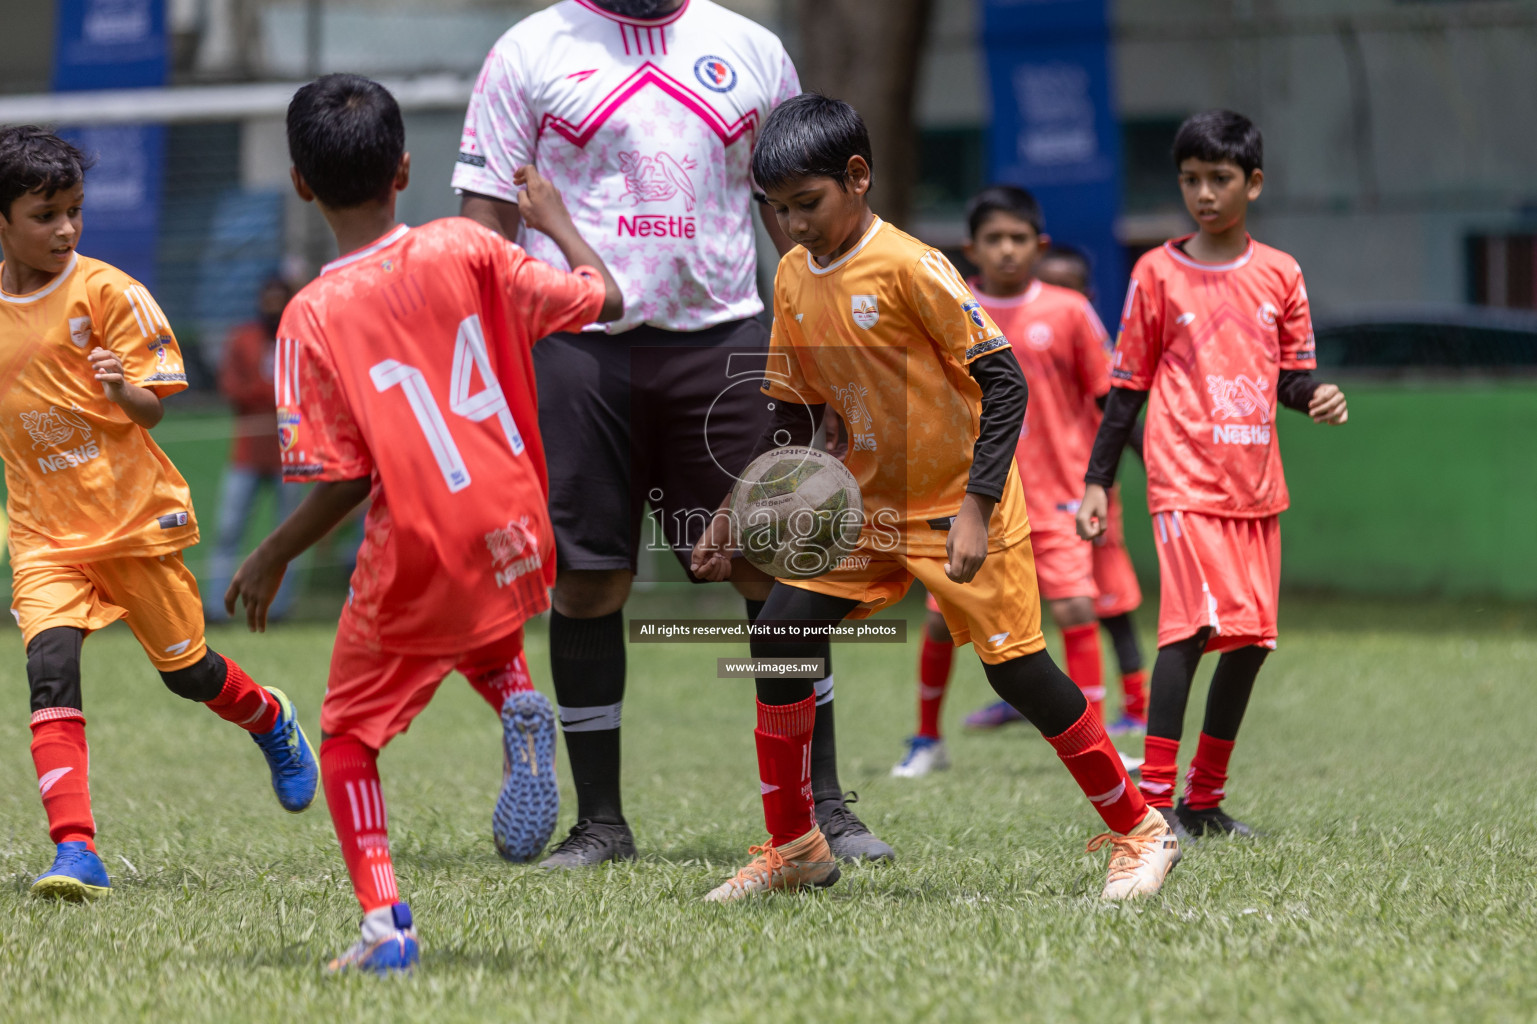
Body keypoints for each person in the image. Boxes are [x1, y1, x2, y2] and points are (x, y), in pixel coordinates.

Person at [691, 94, 1178, 901]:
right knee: (778, 635)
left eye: (806, 205)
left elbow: (1003, 383)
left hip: (957, 501)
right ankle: (796, 847)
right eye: (775, 211)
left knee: (1016, 673)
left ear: (857, 178)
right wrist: (737, 510)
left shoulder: (912, 266)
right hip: (863, 507)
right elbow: (793, 414)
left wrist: (978, 507)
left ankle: (1140, 829)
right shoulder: (789, 277)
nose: (792, 226)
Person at [453, 0, 889, 866]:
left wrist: (825, 346)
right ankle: (601, 824)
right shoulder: (527, 51)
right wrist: (482, 358)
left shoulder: (751, 48)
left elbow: (797, 216)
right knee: (586, 584)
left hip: (724, 342)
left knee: (775, 568)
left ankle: (823, 808)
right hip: (576, 354)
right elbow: (484, 222)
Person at [226, 74, 622, 974]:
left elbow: (342, 480)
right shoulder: (464, 246)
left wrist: (273, 552)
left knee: (345, 739)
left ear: (300, 184)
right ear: (405, 169)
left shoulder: (309, 318)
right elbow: (607, 300)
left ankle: (384, 928)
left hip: (420, 537)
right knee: (473, 615)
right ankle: (514, 696)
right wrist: (554, 219)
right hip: (515, 514)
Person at [0, 125, 318, 902]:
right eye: (45, 215)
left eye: (73, 210)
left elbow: (151, 412)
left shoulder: (109, 292)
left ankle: (270, 718)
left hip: (132, 521)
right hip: (44, 533)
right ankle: (77, 851)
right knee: (50, 671)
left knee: (189, 674)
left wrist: (119, 390)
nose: (66, 228)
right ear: (2, 219)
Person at [1077, 110, 1349, 839]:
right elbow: (1125, 387)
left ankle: (1202, 800)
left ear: (1251, 183)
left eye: (1218, 178)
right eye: (1190, 179)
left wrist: (1314, 396)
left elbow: (1291, 377)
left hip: (1255, 485)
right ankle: (1156, 804)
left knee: (1252, 641)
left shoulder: (1279, 273)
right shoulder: (1156, 273)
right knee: (1191, 626)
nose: (1203, 193)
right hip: (1182, 479)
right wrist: (1098, 480)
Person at [892, 190, 1148, 779]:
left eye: (1018, 238)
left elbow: (1110, 402)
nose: (1006, 250)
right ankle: (926, 739)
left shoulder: (1067, 311)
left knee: (1077, 607)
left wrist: (1112, 477)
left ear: (1040, 245)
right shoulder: (948, 309)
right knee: (938, 617)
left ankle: (1098, 741)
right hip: (971, 500)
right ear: (971, 248)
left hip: (1056, 493)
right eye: (994, 239)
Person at [962, 243, 1150, 738]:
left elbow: (1117, 413)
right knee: (1022, 607)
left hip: (1082, 495)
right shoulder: (1005, 341)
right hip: (1018, 493)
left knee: (1107, 603)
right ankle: (1028, 699)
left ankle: (1133, 705)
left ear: (1084, 298)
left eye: (1069, 290)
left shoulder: (1082, 344)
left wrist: (1150, 460)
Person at [204, 276, 306, 623]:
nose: (273, 306)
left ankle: (279, 609)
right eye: (269, 299)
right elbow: (233, 388)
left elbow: (308, 390)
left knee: (290, 534)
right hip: (247, 453)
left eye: (281, 299)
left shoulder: (299, 338)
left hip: (289, 456)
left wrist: (266, 394)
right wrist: (274, 394)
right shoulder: (243, 338)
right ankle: (217, 607)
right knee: (228, 528)